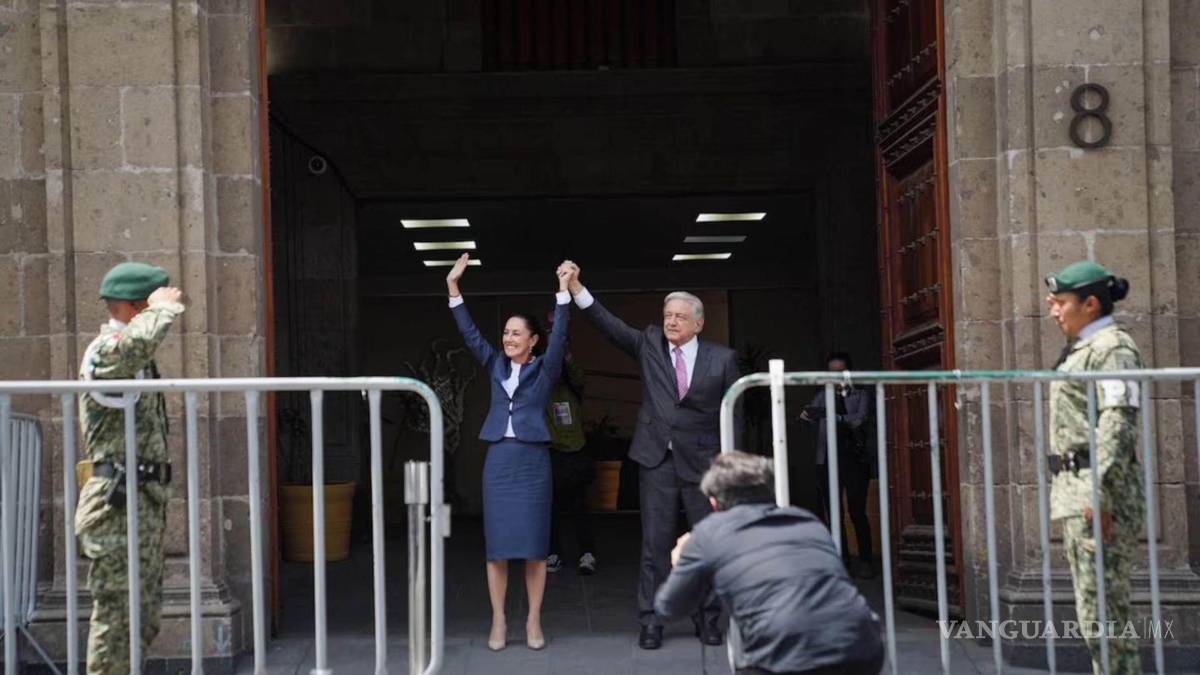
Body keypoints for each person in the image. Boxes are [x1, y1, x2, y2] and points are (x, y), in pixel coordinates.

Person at [561, 260, 741, 650]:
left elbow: (733, 417)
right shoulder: (649, 343)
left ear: (699, 323)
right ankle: (652, 620)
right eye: (667, 315)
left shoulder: (723, 359)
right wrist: (577, 289)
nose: (672, 322)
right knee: (655, 546)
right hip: (656, 460)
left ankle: (708, 618)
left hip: (704, 465)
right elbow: (609, 325)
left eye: (680, 317)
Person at [655, 451, 885, 675]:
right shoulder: (806, 521)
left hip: (784, 653)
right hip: (862, 644)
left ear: (714, 503)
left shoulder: (708, 533)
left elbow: (669, 608)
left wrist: (682, 562)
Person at [446, 253, 571, 651]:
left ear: (533, 341)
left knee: (535, 549)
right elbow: (470, 335)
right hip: (499, 461)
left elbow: (563, 334)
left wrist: (564, 293)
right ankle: (499, 620)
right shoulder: (495, 364)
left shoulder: (546, 369)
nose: (509, 338)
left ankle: (533, 621)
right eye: (506, 333)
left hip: (533, 463)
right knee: (497, 548)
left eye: (517, 333)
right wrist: (454, 288)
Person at [74, 262, 185, 674]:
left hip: (141, 501)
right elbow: (133, 346)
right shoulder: (107, 351)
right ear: (137, 306)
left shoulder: (134, 355)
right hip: (116, 505)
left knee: (143, 614)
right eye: (149, 304)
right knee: (118, 618)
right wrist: (161, 310)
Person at [1045, 260, 1144, 675]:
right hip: (1079, 492)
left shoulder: (1112, 349)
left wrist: (1098, 493)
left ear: (1089, 304)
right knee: (1094, 613)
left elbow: (1118, 423)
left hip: (1096, 495)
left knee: (1104, 615)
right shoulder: (1085, 347)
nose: (1053, 310)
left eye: (1060, 302)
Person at [799, 352, 876, 579]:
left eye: (839, 372)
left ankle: (865, 560)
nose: (835, 377)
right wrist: (807, 416)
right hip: (826, 460)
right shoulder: (822, 396)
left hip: (854, 460)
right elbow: (809, 417)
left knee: (857, 512)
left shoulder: (859, 394)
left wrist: (831, 415)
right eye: (830, 372)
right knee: (833, 514)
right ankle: (841, 562)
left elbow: (859, 420)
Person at [541, 309, 598, 576]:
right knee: (549, 507)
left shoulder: (573, 385)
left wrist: (564, 347)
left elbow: (576, 373)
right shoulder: (541, 384)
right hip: (551, 452)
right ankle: (554, 553)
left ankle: (587, 553)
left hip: (576, 450)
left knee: (579, 506)